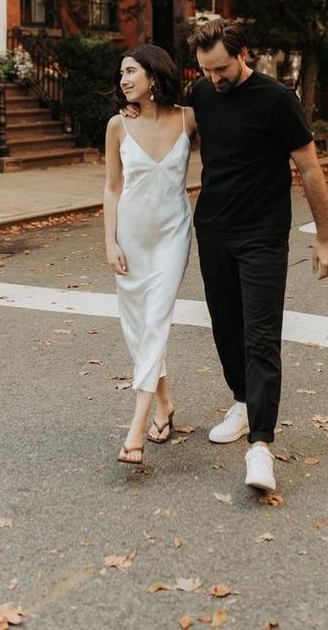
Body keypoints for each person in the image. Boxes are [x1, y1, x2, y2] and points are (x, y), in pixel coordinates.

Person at [186, 18, 328, 493]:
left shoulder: (277, 100)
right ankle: (241, 399)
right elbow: (175, 142)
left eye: (221, 68)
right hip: (213, 231)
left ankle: (261, 447)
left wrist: (325, 236)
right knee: (225, 327)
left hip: (262, 236)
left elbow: (310, 169)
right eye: (206, 70)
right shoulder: (200, 94)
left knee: (260, 335)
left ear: (243, 53)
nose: (214, 78)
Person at [103, 44, 197, 465]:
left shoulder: (189, 118)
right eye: (122, 73)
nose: (123, 80)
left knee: (156, 321)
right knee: (139, 329)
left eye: (131, 72)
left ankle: (136, 431)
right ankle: (164, 405)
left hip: (173, 234)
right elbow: (111, 188)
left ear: (154, 76)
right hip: (131, 237)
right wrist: (110, 241)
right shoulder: (117, 126)